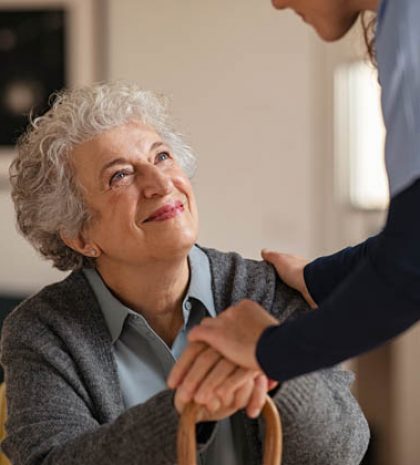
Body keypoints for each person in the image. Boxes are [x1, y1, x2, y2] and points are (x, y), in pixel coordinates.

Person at [0, 82, 369, 465]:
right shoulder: (43, 331)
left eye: (161, 157)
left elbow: (342, 451)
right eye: (120, 176)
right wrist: (187, 410)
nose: (161, 184)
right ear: (79, 236)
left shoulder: (266, 293)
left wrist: (274, 355)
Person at [169, 0, 420, 387]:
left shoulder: (407, 29)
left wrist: (269, 350)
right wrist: (318, 278)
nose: (277, 2)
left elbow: (411, 265)